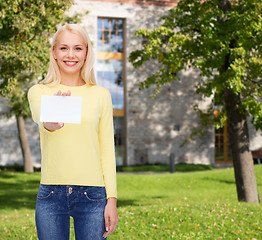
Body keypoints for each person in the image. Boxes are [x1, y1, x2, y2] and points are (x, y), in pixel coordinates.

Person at [28, 24, 118, 240]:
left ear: (86, 53)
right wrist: (53, 119)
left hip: (94, 196)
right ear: (54, 53)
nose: (71, 55)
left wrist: (112, 200)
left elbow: (107, 150)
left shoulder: (100, 95)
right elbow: (44, 120)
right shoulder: (39, 91)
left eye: (78, 48)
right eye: (64, 48)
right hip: (51, 195)